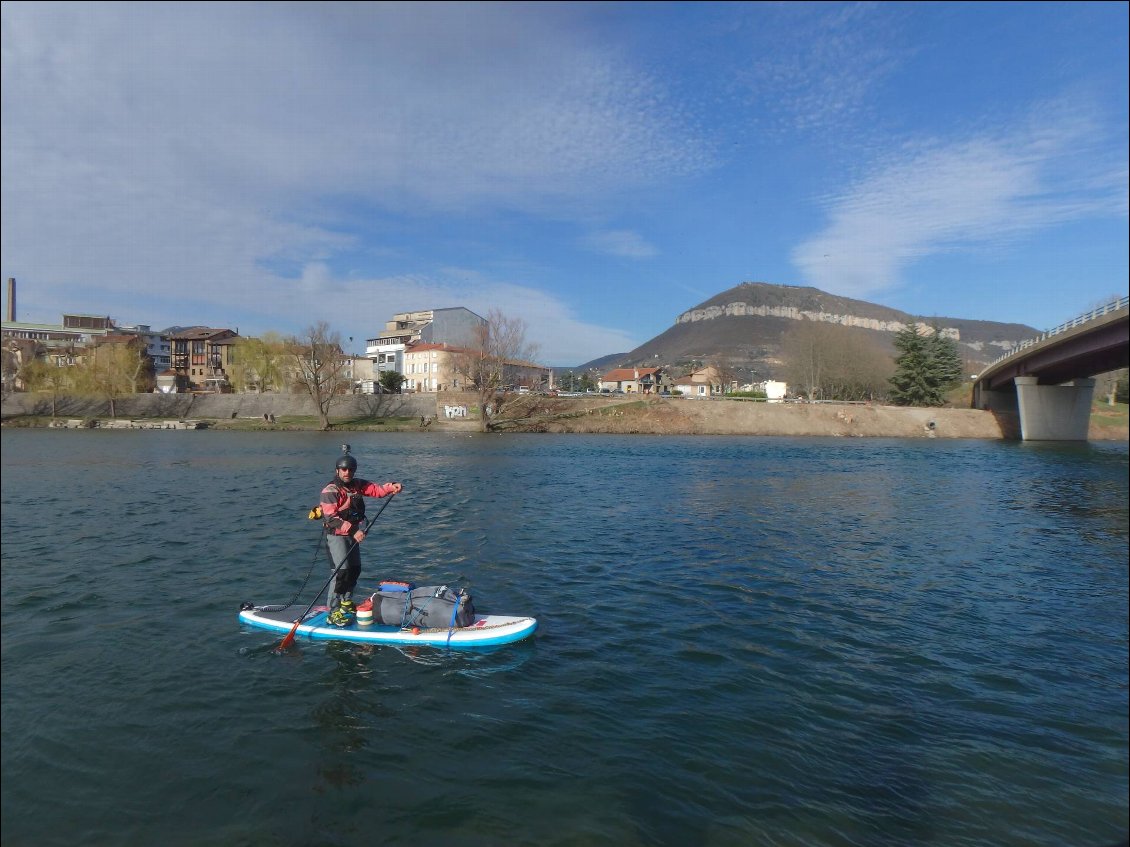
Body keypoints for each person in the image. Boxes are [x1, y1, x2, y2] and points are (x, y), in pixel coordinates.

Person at [317, 449, 401, 627]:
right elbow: (330, 518)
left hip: (353, 536)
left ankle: (346, 603)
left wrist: (391, 487)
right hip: (337, 537)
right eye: (344, 470)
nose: (347, 473)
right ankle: (333, 611)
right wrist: (354, 530)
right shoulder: (330, 490)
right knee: (341, 572)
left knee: (354, 569)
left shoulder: (357, 485)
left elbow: (376, 490)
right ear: (337, 471)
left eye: (350, 470)